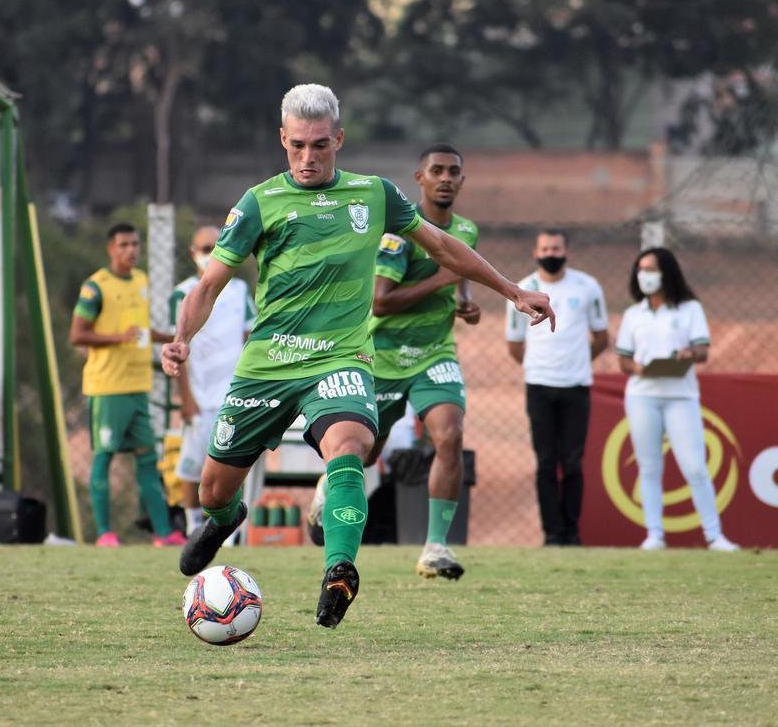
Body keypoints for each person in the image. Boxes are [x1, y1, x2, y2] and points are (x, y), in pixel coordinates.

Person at [161, 84, 554, 629]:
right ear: (282, 139)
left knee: (348, 447)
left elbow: (442, 246)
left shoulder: (375, 194)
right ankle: (223, 519)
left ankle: (340, 568)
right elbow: (209, 284)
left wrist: (514, 291)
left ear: (338, 139)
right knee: (212, 490)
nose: (308, 157)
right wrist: (183, 337)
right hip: (268, 363)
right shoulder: (259, 202)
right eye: (297, 145)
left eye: (320, 145)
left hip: (340, 359)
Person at [360, 143, 482, 581]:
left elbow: (461, 285)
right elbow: (380, 302)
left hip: (435, 353)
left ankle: (435, 548)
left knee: (449, 436)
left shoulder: (466, 231)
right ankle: (326, 488)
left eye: (454, 171)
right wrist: (442, 279)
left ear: (462, 181)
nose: (446, 177)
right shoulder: (399, 232)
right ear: (421, 179)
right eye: (437, 170)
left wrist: (466, 303)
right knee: (367, 452)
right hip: (384, 356)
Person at [615, 247, 738, 551]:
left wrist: (687, 354)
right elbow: (624, 360)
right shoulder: (633, 314)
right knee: (649, 466)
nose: (645, 275)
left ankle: (714, 535)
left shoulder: (689, 309)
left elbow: (702, 350)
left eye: (652, 269)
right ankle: (654, 534)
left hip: (680, 395)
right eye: (641, 269)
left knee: (695, 466)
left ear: (667, 273)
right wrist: (639, 367)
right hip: (643, 395)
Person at [70, 223, 182, 547]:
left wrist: (175, 337)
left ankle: (163, 534)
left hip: (137, 386)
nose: (131, 250)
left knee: (148, 459)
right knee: (104, 457)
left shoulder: (141, 280)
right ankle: (105, 533)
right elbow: (78, 334)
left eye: (135, 244)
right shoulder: (96, 287)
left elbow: (140, 331)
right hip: (107, 388)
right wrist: (116, 338)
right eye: (123, 245)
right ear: (110, 248)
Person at [506, 228, 610, 546]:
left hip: (576, 385)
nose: (551, 253)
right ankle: (552, 533)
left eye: (556, 248)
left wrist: (577, 361)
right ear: (535, 253)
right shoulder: (522, 289)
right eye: (545, 248)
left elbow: (601, 337)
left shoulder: (587, 286)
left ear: (567, 252)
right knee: (546, 462)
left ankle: (571, 532)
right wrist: (539, 365)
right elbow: (514, 344)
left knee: (574, 461)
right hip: (539, 385)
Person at [170, 225, 256, 535]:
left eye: (215, 246)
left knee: (232, 463)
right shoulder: (183, 292)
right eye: (204, 248)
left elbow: (250, 334)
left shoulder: (239, 290)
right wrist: (186, 398)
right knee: (192, 467)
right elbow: (177, 346)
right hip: (200, 394)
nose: (210, 254)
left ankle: (229, 527)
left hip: (233, 393)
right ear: (193, 254)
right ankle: (194, 525)